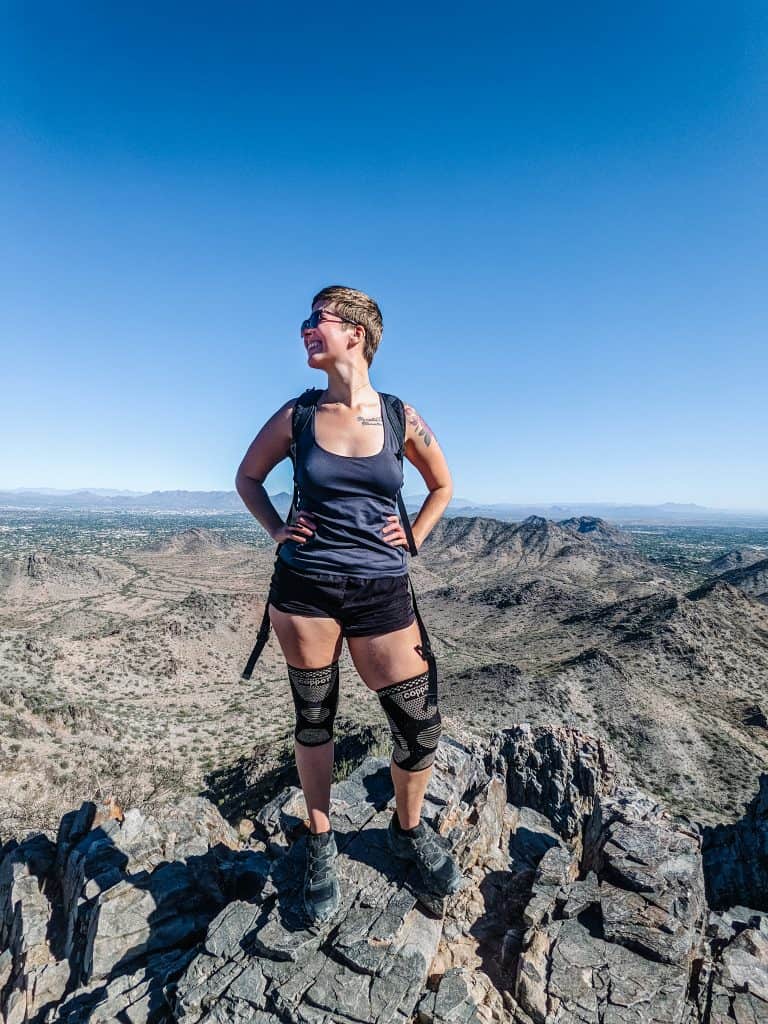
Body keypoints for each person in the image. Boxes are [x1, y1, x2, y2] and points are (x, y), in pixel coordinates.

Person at [235, 285, 462, 925]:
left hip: (382, 587)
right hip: (305, 589)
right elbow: (246, 477)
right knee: (316, 718)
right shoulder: (296, 416)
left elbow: (442, 484)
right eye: (306, 320)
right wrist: (278, 529)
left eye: (319, 320)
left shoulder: (398, 417)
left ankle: (407, 829)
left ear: (357, 333)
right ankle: (320, 837)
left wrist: (414, 532)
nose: (307, 329)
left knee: (418, 725)